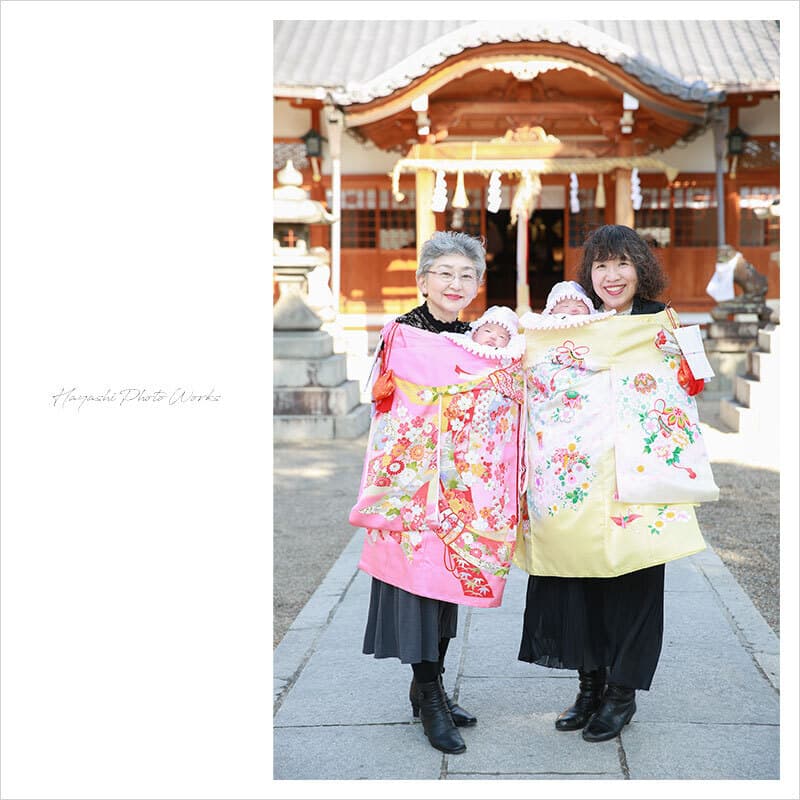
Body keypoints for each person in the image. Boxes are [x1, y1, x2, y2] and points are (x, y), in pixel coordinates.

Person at [517, 224, 686, 743]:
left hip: (636, 475)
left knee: (634, 582)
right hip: (580, 475)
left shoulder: (656, 323)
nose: (612, 276)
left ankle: (621, 694)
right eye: (601, 266)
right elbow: (537, 380)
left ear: (641, 268)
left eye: (622, 264)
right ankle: (589, 686)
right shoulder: (570, 324)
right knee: (579, 580)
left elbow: (681, 388)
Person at [355, 231, 501, 756]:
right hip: (411, 484)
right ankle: (432, 696)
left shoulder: (477, 342)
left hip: (458, 484)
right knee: (416, 588)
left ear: (478, 285)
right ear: (422, 281)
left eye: (467, 275)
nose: (455, 284)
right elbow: (388, 407)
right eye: (444, 273)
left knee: (444, 586)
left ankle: (427, 690)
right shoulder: (402, 334)